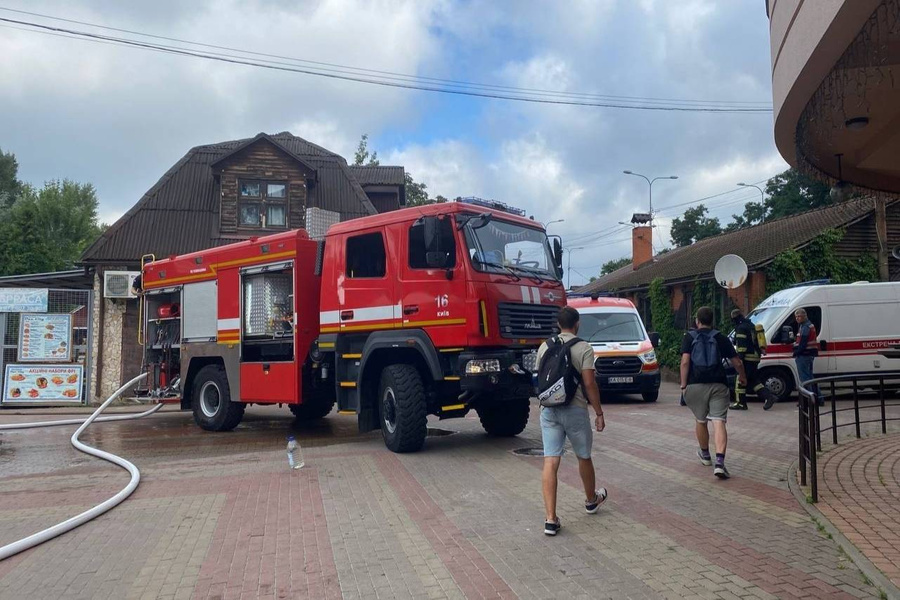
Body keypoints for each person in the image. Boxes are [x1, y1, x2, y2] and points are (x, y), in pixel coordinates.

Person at [537, 306, 607, 536]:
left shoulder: (544, 346)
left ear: (558, 324)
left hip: (549, 410)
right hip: (575, 409)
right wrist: (598, 412)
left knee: (551, 460)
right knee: (583, 456)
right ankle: (590, 500)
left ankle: (550, 519)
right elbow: (589, 384)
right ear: (577, 324)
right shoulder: (584, 348)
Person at [680, 306, 747, 480]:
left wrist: (683, 385)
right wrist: (743, 378)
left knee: (701, 420)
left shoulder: (689, 337)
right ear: (712, 321)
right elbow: (737, 362)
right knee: (719, 422)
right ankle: (719, 463)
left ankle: (705, 455)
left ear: (697, 321)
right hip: (718, 385)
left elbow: (685, 362)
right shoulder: (720, 337)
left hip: (695, 385)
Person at [729, 309, 778, 411]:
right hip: (755, 357)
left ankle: (741, 403)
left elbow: (742, 347)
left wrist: (740, 360)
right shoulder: (751, 325)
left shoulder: (741, 328)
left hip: (747, 358)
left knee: (740, 379)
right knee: (752, 381)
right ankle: (769, 397)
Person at [793, 308, 823, 406]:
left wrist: (797, 352)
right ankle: (819, 398)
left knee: (804, 379)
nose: (797, 318)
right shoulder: (808, 325)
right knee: (810, 378)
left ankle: (806, 400)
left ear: (804, 316)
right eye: (796, 316)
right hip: (809, 355)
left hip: (804, 355)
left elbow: (803, 342)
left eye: (799, 316)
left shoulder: (805, 327)